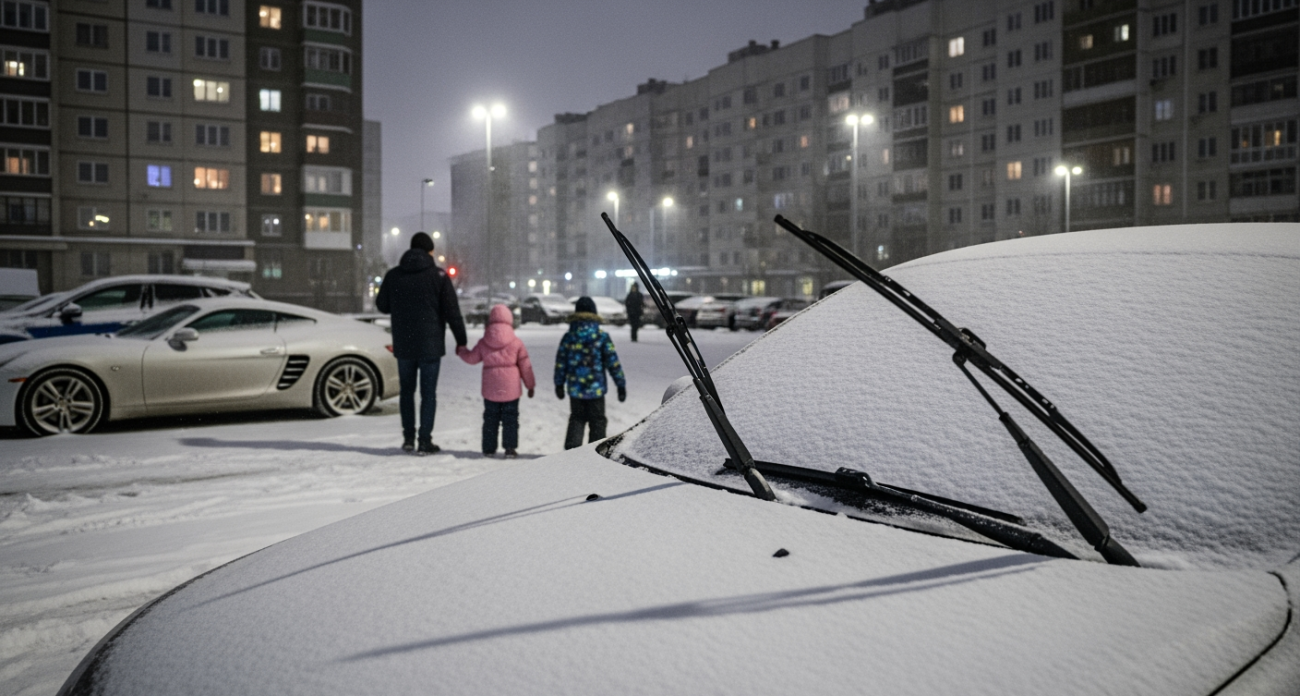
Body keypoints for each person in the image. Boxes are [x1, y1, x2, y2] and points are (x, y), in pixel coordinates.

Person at [376, 232, 467, 455]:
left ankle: (408, 439)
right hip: (430, 345)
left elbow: (382, 305)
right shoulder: (439, 276)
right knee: (428, 394)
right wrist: (461, 341)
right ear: (429, 251)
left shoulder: (394, 275)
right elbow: (452, 311)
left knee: (407, 392)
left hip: (404, 345)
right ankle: (424, 441)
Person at [456, 304, 536, 458]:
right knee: (511, 418)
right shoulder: (516, 342)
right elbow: (525, 365)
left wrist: (461, 350)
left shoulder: (484, 341)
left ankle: (488, 448)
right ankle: (510, 448)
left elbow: (472, 358)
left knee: (490, 418)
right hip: (511, 388)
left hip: (491, 388)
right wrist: (530, 385)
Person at [554, 296, 626, 450]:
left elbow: (561, 362)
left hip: (576, 389)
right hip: (596, 390)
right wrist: (620, 384)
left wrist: (559, 383)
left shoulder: (569, 337)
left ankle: (571, 452)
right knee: (598, 421)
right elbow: (612, 362)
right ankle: (596, 451)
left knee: (577, 419)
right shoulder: (601, 337)